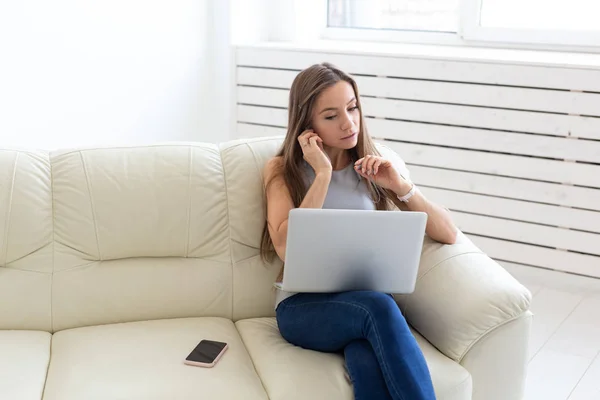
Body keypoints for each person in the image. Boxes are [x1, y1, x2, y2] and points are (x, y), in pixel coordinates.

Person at [260, 62, 457, 400]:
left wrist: (400, 186)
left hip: (362, 308)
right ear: (308, 123)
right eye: (331, 115)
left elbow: (448, 233)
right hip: (302, 309)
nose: (349, 122)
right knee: (378, 308)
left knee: (366, 358)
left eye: (352, 108)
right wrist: (321, 175)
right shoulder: (282, 170)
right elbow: (287, 248)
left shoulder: (372, 164)